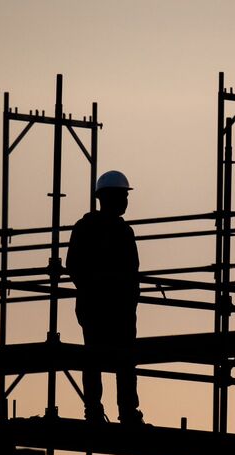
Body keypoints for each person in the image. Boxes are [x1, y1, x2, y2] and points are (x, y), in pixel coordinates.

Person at [66, 170, 146, 425]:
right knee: (120, 360)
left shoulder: (86, 228)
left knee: (97, 359)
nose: (125, 201)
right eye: (122, 195)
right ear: (110, 197)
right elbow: (132, 270)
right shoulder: (118, 232)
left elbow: (74, 266)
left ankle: (97, 410)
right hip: (112, 307)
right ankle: (125, 412)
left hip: (98, 306)